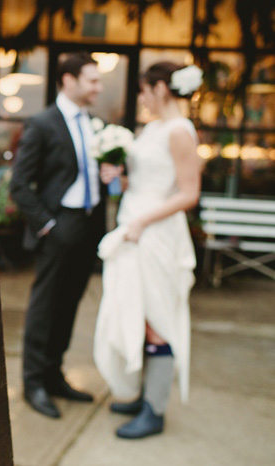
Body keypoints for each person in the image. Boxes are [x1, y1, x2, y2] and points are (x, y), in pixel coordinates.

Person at [93, 61, 203, 439]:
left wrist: (142, 221)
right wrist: (117, 179)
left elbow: (189, 193)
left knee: (157, 317)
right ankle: (142, 397)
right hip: (133, 226)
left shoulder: (179, 131)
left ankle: (154, 410)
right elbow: (142, 182)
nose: (141, 98)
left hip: (155, 234)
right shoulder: (152, 128)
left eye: (144, 90)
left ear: (161, 89)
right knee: (137, 311)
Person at [10, 52, 107, 419]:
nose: (98, 87)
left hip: (90, 226)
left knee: (70, 303)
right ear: (68, 80)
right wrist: (47, 225)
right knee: (45, 304)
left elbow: (86, 175)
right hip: (58, 224)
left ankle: (54, 375)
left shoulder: (95, 124)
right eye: (92, 80)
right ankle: (33, 382)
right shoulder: (43, 123)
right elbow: (20, 184)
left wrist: (108, 179)